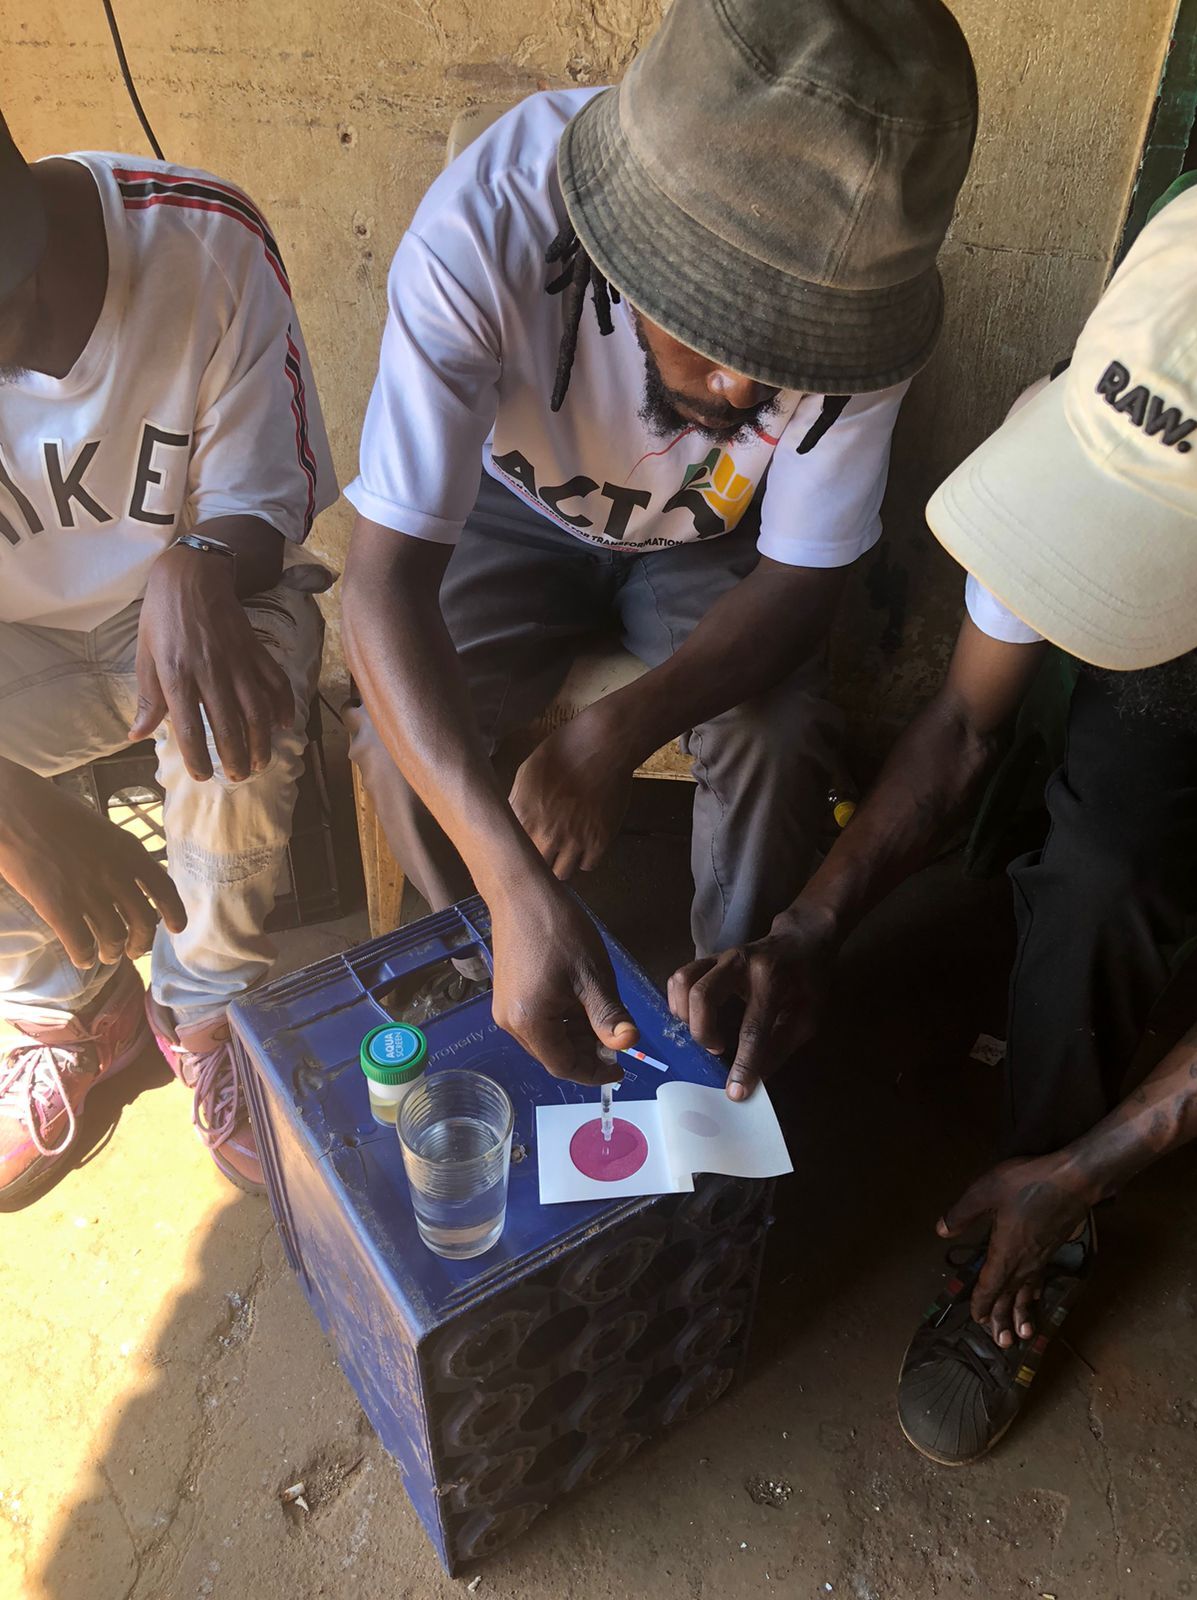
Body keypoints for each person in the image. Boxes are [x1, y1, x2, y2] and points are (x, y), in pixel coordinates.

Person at [342, 0, 977, 1084]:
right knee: (392, 738)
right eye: (716, 325)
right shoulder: (489, 223)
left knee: (779, 733)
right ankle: (485, 967)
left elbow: (803, 580)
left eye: (787, 350)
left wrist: (611, 734)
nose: (742, 386)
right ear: (618, 246)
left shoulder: (869, 294)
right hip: (507, 507)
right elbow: (382, 582)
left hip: (705, 548)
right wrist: (509, 880)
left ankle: (715, 1033)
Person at [669, 176, 1197, 1462]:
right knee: (1102, 866)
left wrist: (1101, 1159)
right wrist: (807, 928)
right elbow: (965, 725)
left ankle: (1052, 1202)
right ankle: (1034, 1202)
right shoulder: (1116, 389)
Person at [0, 115, 335, 1203]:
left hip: (183, 619)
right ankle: (62, 1006)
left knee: (248, 695)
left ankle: (204, 1010)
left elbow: (262, 500)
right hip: (20, 657)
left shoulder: (198, 236)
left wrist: (196, 557)